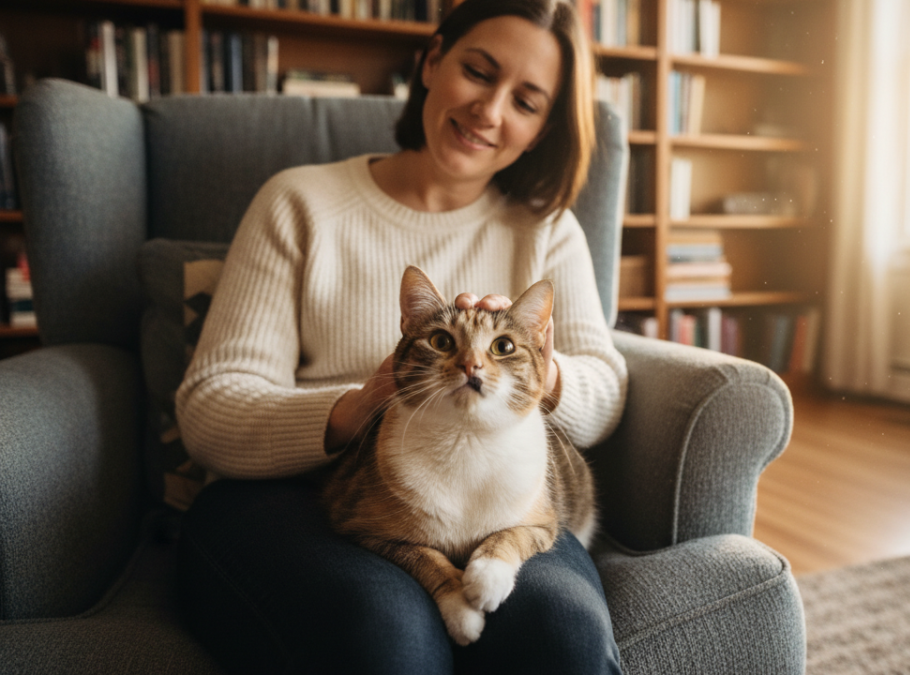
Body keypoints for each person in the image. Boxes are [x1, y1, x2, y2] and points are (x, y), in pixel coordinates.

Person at [174, 0, 628, 673]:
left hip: (495, 494)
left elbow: (606, 386)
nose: (489, 110)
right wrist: (359, 406)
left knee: (563, 633)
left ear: (539, 132)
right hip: (298, 493)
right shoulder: (299, 202)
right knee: (387, 638)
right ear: (432, 60)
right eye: (478, 71)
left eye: (526, 102)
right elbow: (209, 408)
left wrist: (534, 365)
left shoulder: (546, 230)